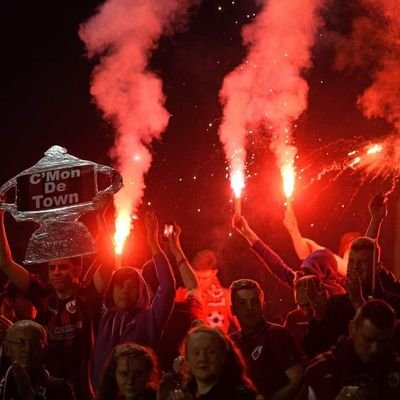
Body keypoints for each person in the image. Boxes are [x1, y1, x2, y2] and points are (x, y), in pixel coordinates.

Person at [0, 194, 114, 399]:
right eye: (52, 268)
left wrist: (101, 217)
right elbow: (6, 263)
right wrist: (0, 214)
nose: (56, 272)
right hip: (44, 391)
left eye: (63, 267)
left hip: (81, 393)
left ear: (77, 270)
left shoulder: (88, 296)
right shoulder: (43, 294)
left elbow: (109, 263)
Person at [93, 212, 176, 390]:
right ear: (111, 290)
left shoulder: (149, 320)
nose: (125, 290)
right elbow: (103, 265)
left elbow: (168, 288)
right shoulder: (101, 316)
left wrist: (153, 244)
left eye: (132, 286)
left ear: (142, 292)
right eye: (120, 285)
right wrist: (100, 216)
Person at [303, 299, 400, 399]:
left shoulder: (395, 369)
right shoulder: (320, 370)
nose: (374, 349)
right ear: (352, 328)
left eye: (383, 342)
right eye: (368, 340)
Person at [233, 214, 346, 296]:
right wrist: (248, 234)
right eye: (304, 271)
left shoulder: (340, 299)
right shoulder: (303, 285)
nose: (301, 276)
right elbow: (277, 265)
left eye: (308, 272)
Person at [143, 222, 204, 372]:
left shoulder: (141, 319)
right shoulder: (187, 311)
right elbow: (194, 286)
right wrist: (176, 249)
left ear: (146, 289)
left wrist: (153, 242)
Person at [230, 279, 303, 399]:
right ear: (233, 309)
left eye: (254, 302)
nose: (249, 307)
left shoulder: (277, 335)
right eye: (242, 303)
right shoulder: (229, 343)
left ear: (263, 305)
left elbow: (297, 378)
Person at [283, 193, 387, 276]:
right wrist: (293, 231)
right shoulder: (333, 264)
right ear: (343, 249)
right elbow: (304, 252)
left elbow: (366, 249)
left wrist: (376, 219)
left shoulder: (364, 273)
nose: (355, 249)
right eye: (351, 245)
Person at [158, 326, 257, 400]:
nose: (202, 358)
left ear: (222, 356)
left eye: (210, 352)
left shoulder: (238, 395)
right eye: (196, 353)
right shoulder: (186, 391)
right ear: (187, 359)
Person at [0, 319, 76, 399]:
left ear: (45, 350)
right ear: (7, 349)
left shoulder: (60, 388)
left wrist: (30, 396)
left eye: (34, 343)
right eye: (20, 342)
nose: (28, 349)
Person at [191, 249, 237, 333]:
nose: (199, 283)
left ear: (214, 273)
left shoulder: (227, 297)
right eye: (196, 277)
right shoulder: (183, 295)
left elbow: (247, 328)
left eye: (204, 278)